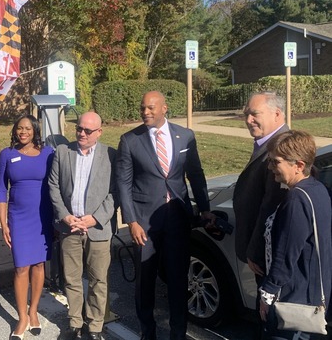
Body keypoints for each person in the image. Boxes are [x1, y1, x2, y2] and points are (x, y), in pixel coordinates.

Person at [116, 91, 212, 340]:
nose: (145, 112)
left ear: (164, 108)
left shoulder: (185, 136)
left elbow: (196, 174)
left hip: (177, 218)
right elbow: (123, 184)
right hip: (144, 222)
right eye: (142, 108)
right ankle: (148, 332)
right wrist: (132, 221)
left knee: (178, 279)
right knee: (145, 281)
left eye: (150, 108)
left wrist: (204, 209)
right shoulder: (130, 140)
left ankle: (177, 333)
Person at [48, 112, 117, 340]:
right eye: (79, 128)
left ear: (99, 132)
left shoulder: (110, 155)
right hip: (70, 227)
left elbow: (115, 193)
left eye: (88, 130)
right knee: (72, 278)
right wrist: (66, 216)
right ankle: (75, 324)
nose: (82, 134)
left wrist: (95, 218)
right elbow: (54, 187)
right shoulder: (63, 151)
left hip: (97, 228)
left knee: (98, 280)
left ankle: (95, 326)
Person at [258, 130, 332, 339]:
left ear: (298, 165)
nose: (270, 167)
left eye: (275, 162)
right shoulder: (317, 188)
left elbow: (285, 255)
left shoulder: (297, 200)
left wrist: (267, 294)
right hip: (314, 290)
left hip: (294, 298)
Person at [233, 92, 289, 337]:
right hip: (262, 253)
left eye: (255, 114)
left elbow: (271, 207)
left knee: (271, 317)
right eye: (247, 114)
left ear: (277, 114)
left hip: (267, 255)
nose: (248, 119)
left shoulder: (281, 149)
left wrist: (254, 250)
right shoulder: (267, 143)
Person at [0, 115, 54, 339]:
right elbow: (1, 190)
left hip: (43, 216)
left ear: (35, 130)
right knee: (21, 267)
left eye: (28, 128)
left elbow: (56, 183)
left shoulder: (48, 153)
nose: (23, 132)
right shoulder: (7, 155)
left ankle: (33, 311)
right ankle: (21, 317)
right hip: (18, 218)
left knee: (39, 264)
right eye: (19, 128)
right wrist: (3, 222)